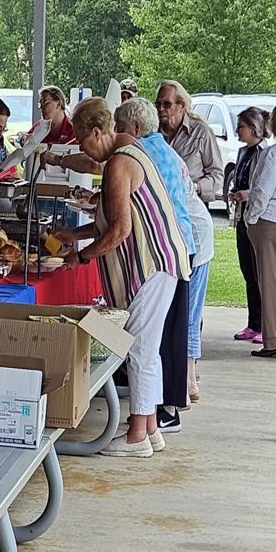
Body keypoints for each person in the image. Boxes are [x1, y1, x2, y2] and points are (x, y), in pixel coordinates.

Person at [50, 97, 188, 458]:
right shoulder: (131, 151)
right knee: (147, 349)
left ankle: (136, 435)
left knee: (139, 349)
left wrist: (81, 256)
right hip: (161, 263)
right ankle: (150, 428)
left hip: (150, 266)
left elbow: (120, 230)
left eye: (83, 141)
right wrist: (74, 235)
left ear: (98, 133)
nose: (82, 149)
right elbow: (113, 219)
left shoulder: (119, 163)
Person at [116, 98, 208, 422]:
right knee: (168, 332)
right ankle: (162, 410)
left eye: (120, 128)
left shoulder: (143, 152)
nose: (116, 135)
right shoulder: (160, 147)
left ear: (135, 127)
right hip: (181, 243)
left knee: (165, 334)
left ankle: (167, 410)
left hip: (175, 245)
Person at [234, 101, 276, 359]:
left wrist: (251, 218)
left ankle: (275, 341)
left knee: (271, 284)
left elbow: (262, 191)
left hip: (271, 222)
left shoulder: (274, 154)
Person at [228, 107, 270, 344]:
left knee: (260, 272)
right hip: (242, 217)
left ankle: (266, 323)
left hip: (257, 219)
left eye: (241, 127)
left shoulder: (265, 153)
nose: (238, 131)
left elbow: (265, 187)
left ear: (254, 128)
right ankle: (254, 323)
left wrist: (248, 194)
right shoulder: (243, 152)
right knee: (248, 272)